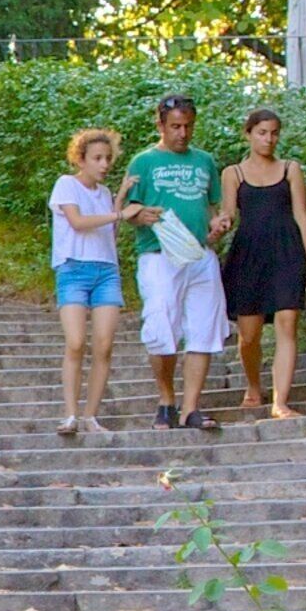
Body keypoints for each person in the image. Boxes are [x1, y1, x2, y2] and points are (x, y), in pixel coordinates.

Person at [123, 94, 230, 431]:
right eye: (175, 127)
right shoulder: (144, 162)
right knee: (161, 328)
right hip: (159, 255)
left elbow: (216, 208)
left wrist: (220, 224)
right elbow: (124, 210)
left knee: (203, 329)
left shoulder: (204, 161)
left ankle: (191, 407)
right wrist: (140, 214)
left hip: (199, 254)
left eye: (188, 127)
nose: (182, 134)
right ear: (161, 125)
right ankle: (166, 399)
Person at [215, 106, 306, 421]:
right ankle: (252, 386)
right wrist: (218, 224)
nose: (269, 139)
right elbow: (230, 214)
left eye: (274, 133)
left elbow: (302, 215)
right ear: (248, 134)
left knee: (288, 323)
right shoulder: (232, 173)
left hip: (287, 251)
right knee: (249, 335)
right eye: (262, 133)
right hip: (248, 253)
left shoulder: (291, 169)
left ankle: (281, 401)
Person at [48, 128, 140, 438]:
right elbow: (78, 223)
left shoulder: (104, 194)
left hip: (106, 271)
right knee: (76, 342)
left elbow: (109, 236)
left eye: (108, 159)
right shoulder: (66, 185)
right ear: (81, 159)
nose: (104, 165)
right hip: (73, 269)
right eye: (97, 158)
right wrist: (119, 214)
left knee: (104, 345)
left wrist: (119, 199)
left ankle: (91, 416)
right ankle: (71, 413)